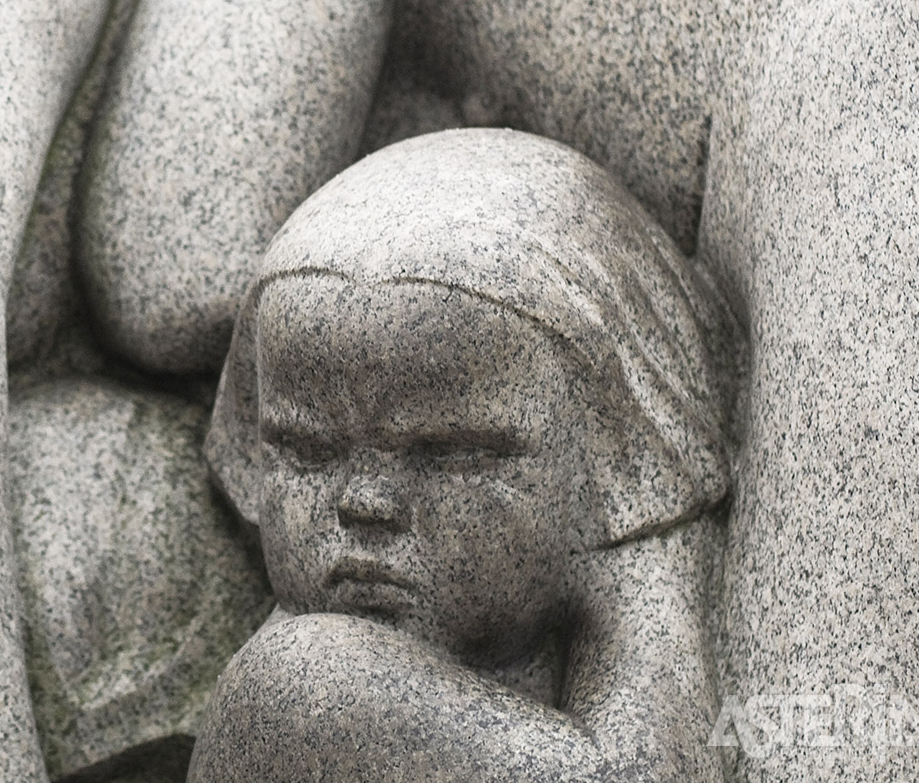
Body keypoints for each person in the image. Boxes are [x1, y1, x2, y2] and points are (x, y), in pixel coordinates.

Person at [190, 129, 739, 782]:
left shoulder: (624, 508)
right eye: (308, 451)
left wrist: (645, 558)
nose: (363, 502)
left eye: (451, 455)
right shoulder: (299, 685)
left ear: (611, 467)